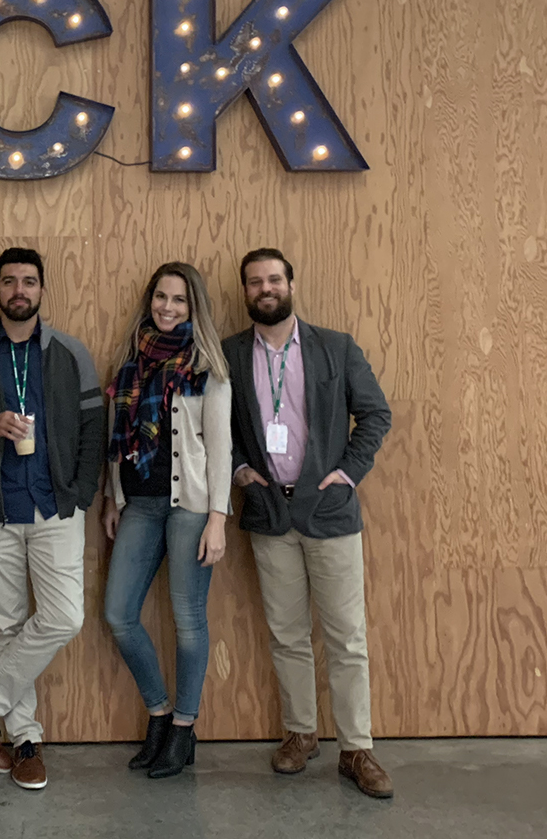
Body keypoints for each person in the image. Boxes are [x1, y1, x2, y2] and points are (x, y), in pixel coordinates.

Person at [222, 247, 395, 799]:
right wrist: (238, 469)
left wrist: (348, 472)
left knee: (347, 637)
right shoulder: (227, 354)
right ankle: (301, 734)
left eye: (274, 279)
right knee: (288, 634)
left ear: (291, 284)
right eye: (255, 282)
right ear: (245, 292)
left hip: (330, 513)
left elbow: (375, 414)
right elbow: (208, 426)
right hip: (270, 513)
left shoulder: (335, 348)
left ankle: (356, 749)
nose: (265, 289)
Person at [0, 247, 104, 791]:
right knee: (6, 627)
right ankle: (25, 739)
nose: (19, 291)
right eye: (9, 282)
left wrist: (80, 493)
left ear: (42, 290)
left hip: (56, 506)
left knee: (63, 617)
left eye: (29, 282)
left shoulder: (71, 352)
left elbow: (94, 429)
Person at [99, 262, 232, 779]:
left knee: (188, 621)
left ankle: (183, 728)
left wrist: (217, 519)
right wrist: (112, 499)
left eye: (179, 300)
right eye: (161, 297)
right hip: (140, 505)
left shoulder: (208, 371)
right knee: (118, 613)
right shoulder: (130, 362)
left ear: (193, 307)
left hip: (191, 509)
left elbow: (220, 453)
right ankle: (158, 712)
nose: (168, 308)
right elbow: (117, 439)